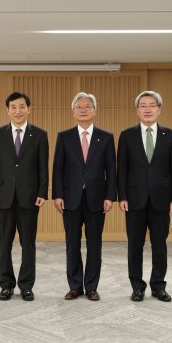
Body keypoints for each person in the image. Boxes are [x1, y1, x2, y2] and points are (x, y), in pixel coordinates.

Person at [117, 90, 172, 302]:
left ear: (159, 109)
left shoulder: (170, 136)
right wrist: (122, 196)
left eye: (152, 105)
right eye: (143, 106)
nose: (147, 109)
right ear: (137, 111)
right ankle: (137, 287)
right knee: (134, 245)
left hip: (161, 200)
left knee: (159, 245)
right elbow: (122, 169)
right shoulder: (127, 136)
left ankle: (158, 286)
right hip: (134, 199)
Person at [52, 92, 116, 301]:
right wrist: (58, 195)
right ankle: (74, 286)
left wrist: (110, 196)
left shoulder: (106, 137)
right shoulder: (64, 137)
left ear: (94, 111)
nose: (83, 109)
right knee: (72, 243)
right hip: (70, 198)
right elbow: (58, 169)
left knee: (94, 243)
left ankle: (91, 287)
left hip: (97, 199)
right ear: (73, 112)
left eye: (87, 106)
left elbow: (111, 170)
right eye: (79, 107)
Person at [0, 92, 48, 301]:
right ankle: (6, 285)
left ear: (28, 109)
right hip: (3, 197)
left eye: (22, 107)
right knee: (4, 244)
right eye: (13, 107)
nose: (18, 111)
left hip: (30, 197)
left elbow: (43, 167)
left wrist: (42, 192)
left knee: (28, 244)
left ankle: (26, 285)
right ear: (8, 110)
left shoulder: (39, 135)